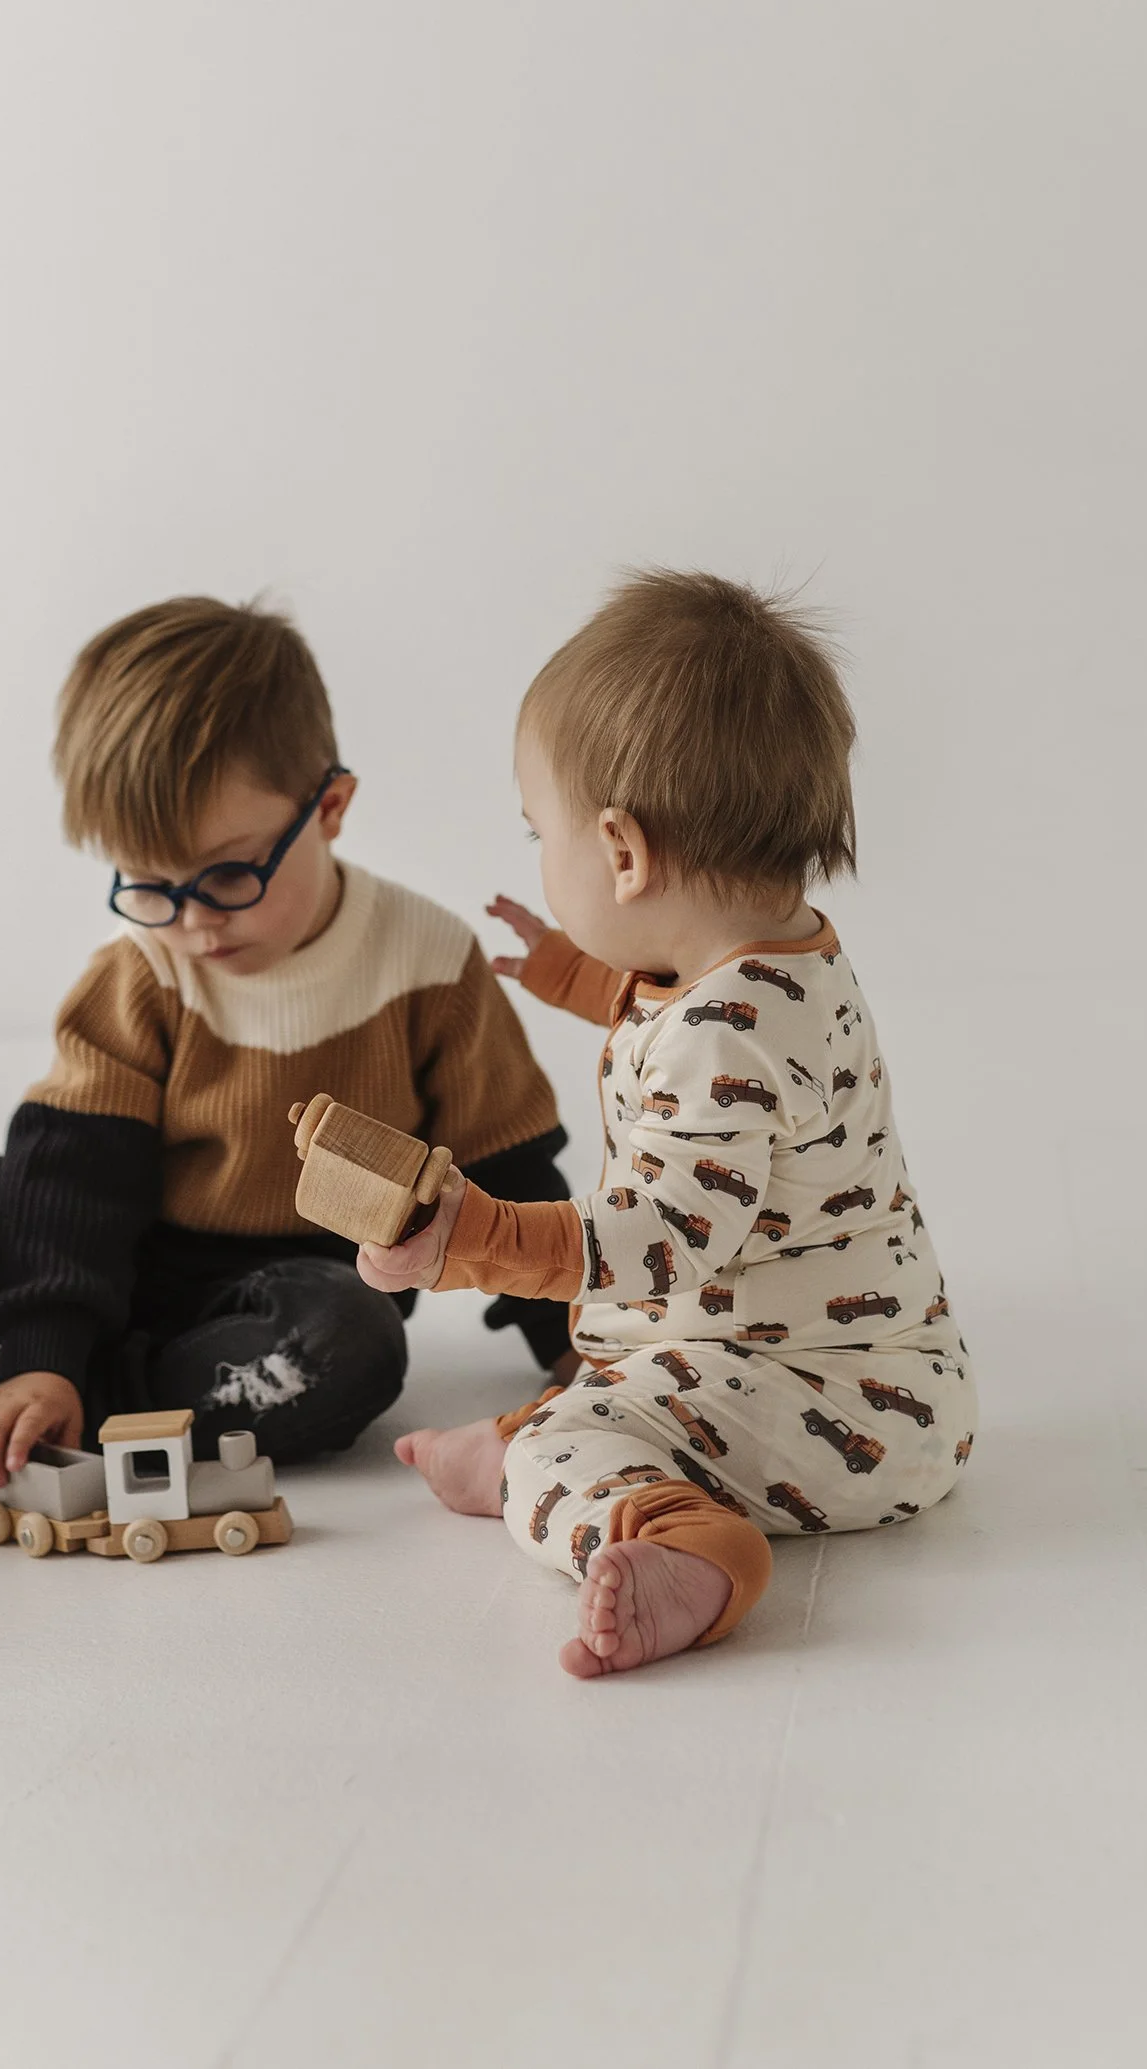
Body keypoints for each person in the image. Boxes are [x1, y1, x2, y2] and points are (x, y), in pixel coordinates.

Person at [0, 597, 574, 1572]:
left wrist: (584, 1342)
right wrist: (44, 1348)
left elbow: (511, 1174)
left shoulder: (427, 961)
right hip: (93, 1258)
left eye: (227, 876)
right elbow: (73, 1174)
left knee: (345, 1332)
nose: (193, 922)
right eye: (150, 884)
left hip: (274, 1300)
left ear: (329, 808)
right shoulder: (142, 971)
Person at [357, 568, 976, 1678]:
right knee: (608, 1388)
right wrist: (577, 973)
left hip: (829, 1409)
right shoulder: (779, 961)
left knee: (568, 1437)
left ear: (622, 852)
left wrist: (473, 1238)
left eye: (538, 831)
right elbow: (686, 1024)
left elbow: (661, 1239)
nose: (537, 856)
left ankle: (684, 1540)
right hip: (875, 1381)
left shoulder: (720, 1040)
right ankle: (527, 1445)